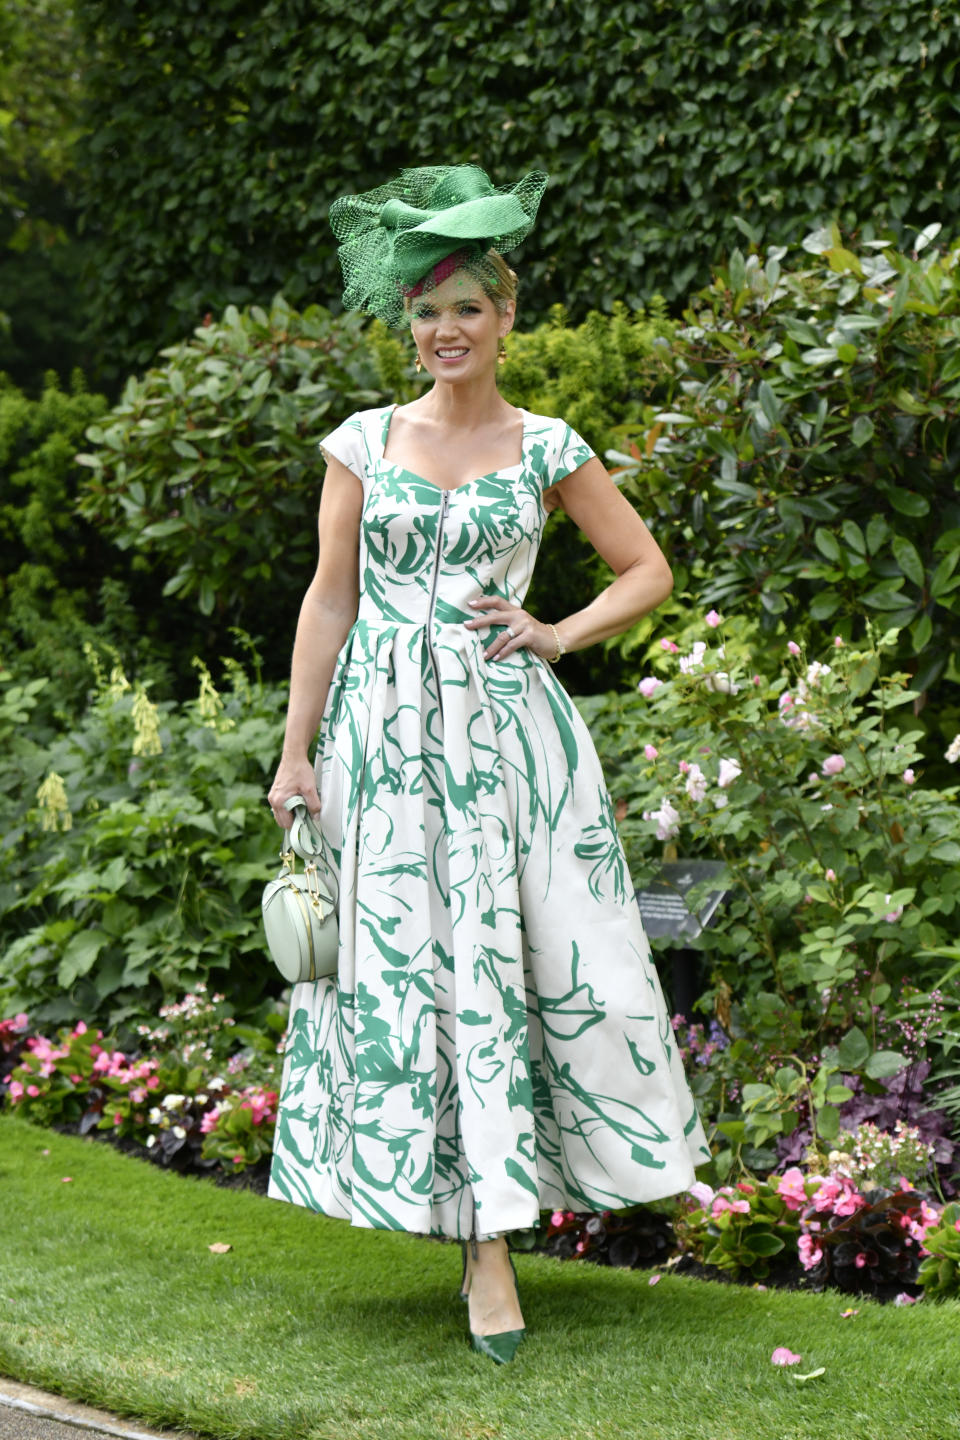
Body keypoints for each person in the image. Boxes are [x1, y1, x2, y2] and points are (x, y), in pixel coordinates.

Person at [266, 164, 709, 1364]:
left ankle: (499, 1239)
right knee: (418, 971)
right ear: (405, 326)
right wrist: (297, 752)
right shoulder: (362, 441)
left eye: (467, 307)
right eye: (424, 311)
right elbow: (329, 598)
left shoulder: (547, 443)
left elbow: (647, 569)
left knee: (526, 962)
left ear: (508, 318)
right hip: (384, 741)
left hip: (512, 743)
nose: (444, 330)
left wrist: (558, 631)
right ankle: (476, 1239)